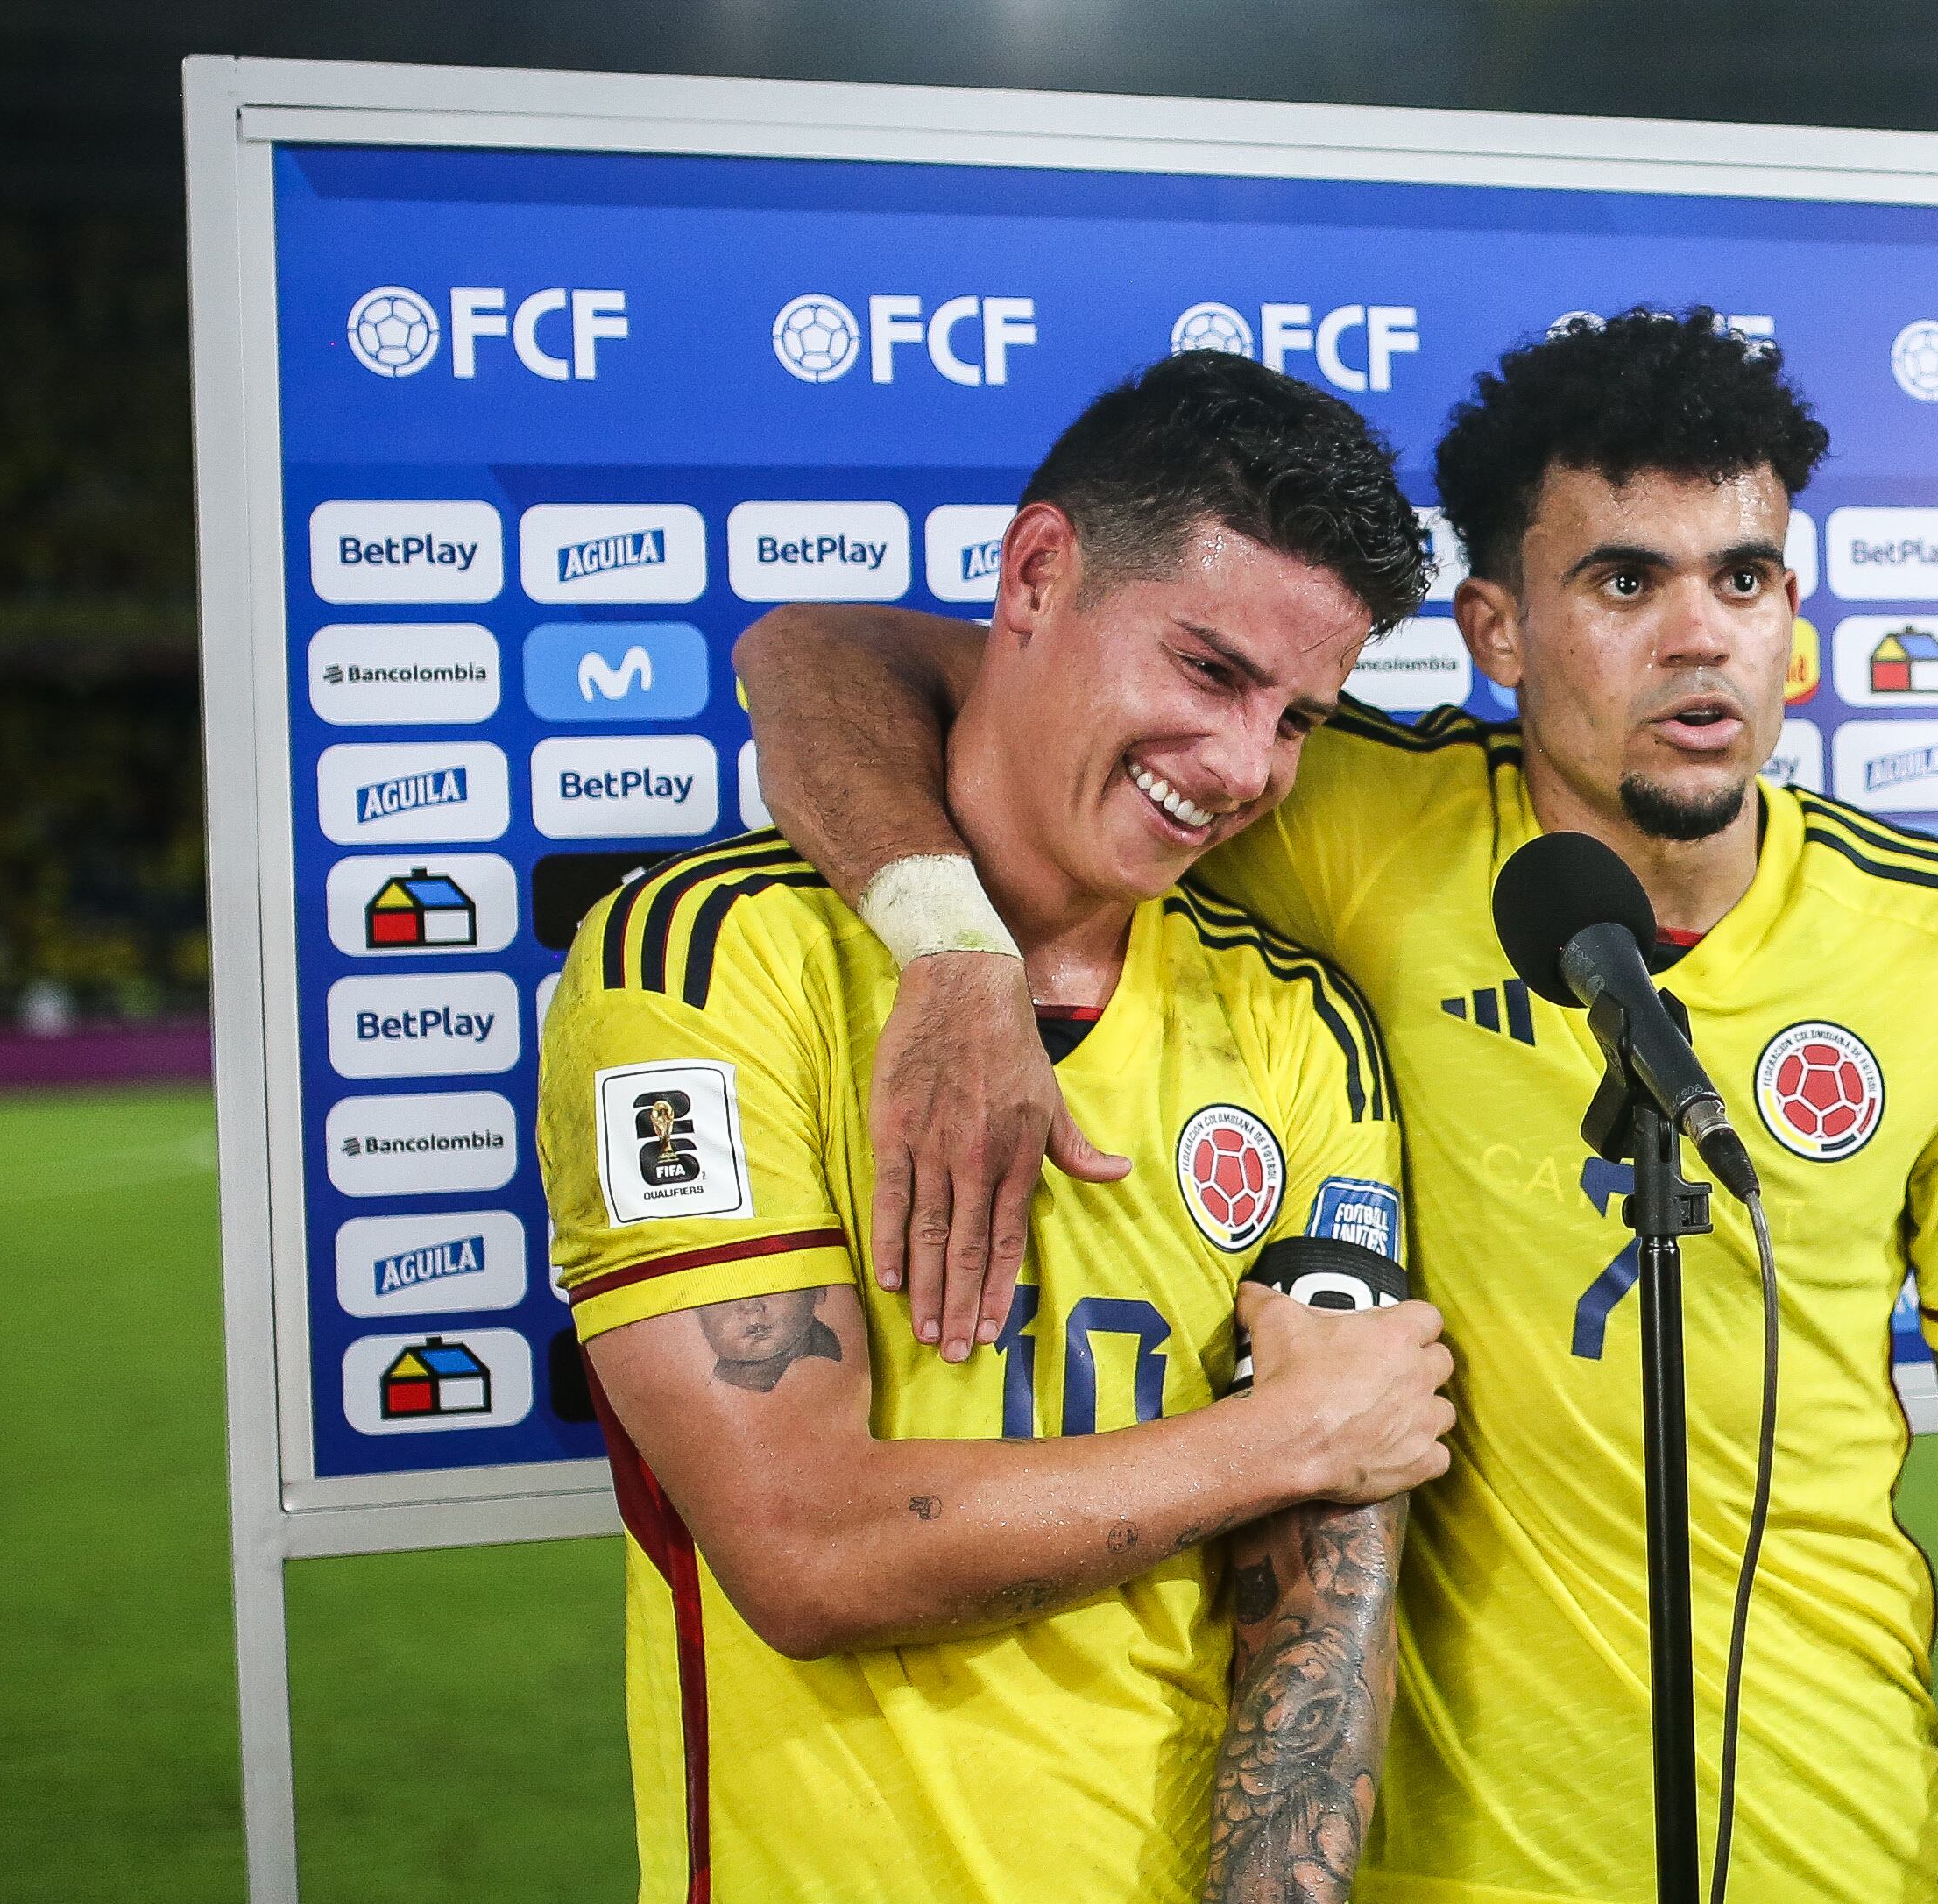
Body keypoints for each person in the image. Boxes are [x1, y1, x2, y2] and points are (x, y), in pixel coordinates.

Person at [736, 308, 1938, 1904]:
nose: (1700, 637)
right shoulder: (1341, 813)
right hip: (1442, 1871)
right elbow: (818, 655)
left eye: (1744, 576)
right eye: (1622, 580)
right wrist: (950, 946)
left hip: (1854, 1843)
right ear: (1495, 628)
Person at [537, 350, 1458, 1904]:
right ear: (1037, 575)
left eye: (1300, 716)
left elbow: (1318, 1579)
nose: (1244, 768)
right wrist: (1275, 1434)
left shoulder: (1301, 1018)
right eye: (1210, 671)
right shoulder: (701, 960)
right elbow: (803, 1547)